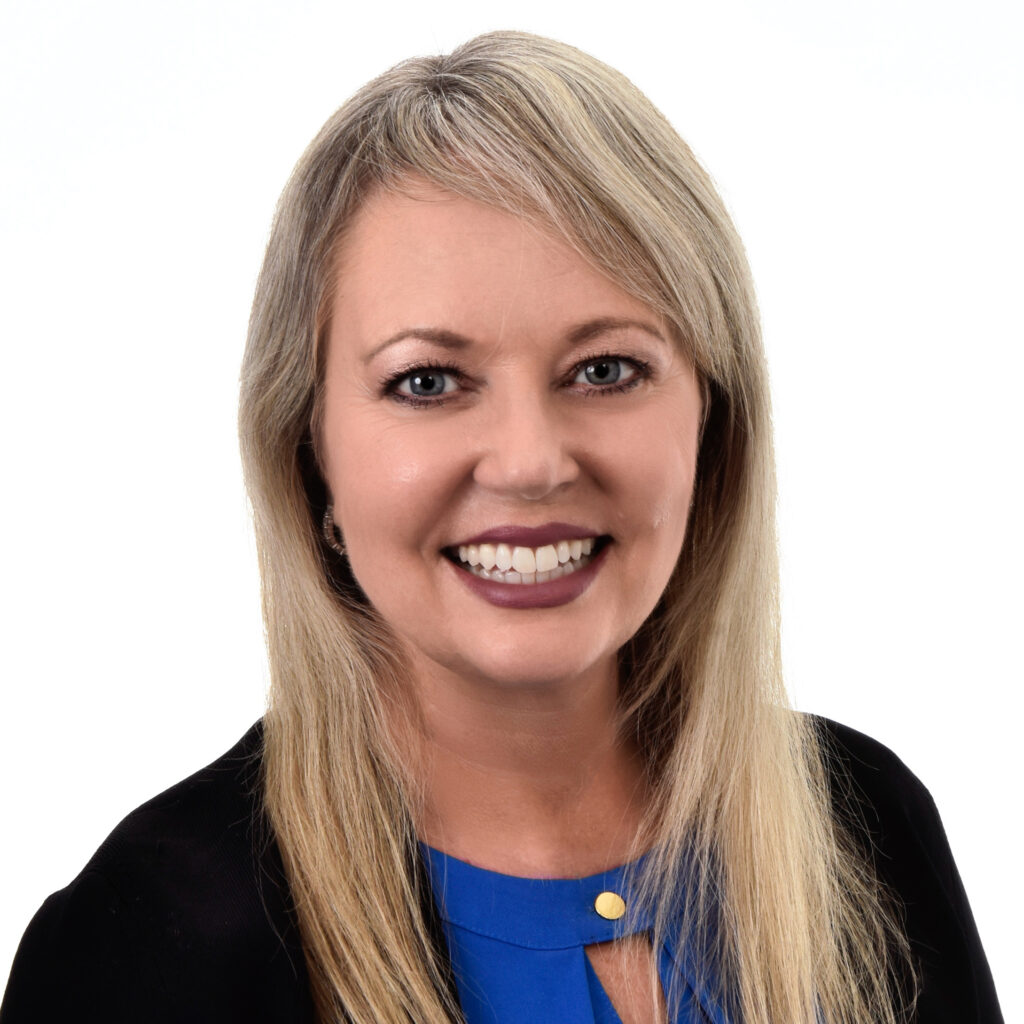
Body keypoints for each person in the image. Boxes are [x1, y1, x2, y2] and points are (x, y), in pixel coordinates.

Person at [0, 30, 1002, 1024]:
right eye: (427, 381)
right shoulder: (138, 954)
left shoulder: (867, 831)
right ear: (312, 455)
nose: (529, 461)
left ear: (712, 417)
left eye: (605, 369)